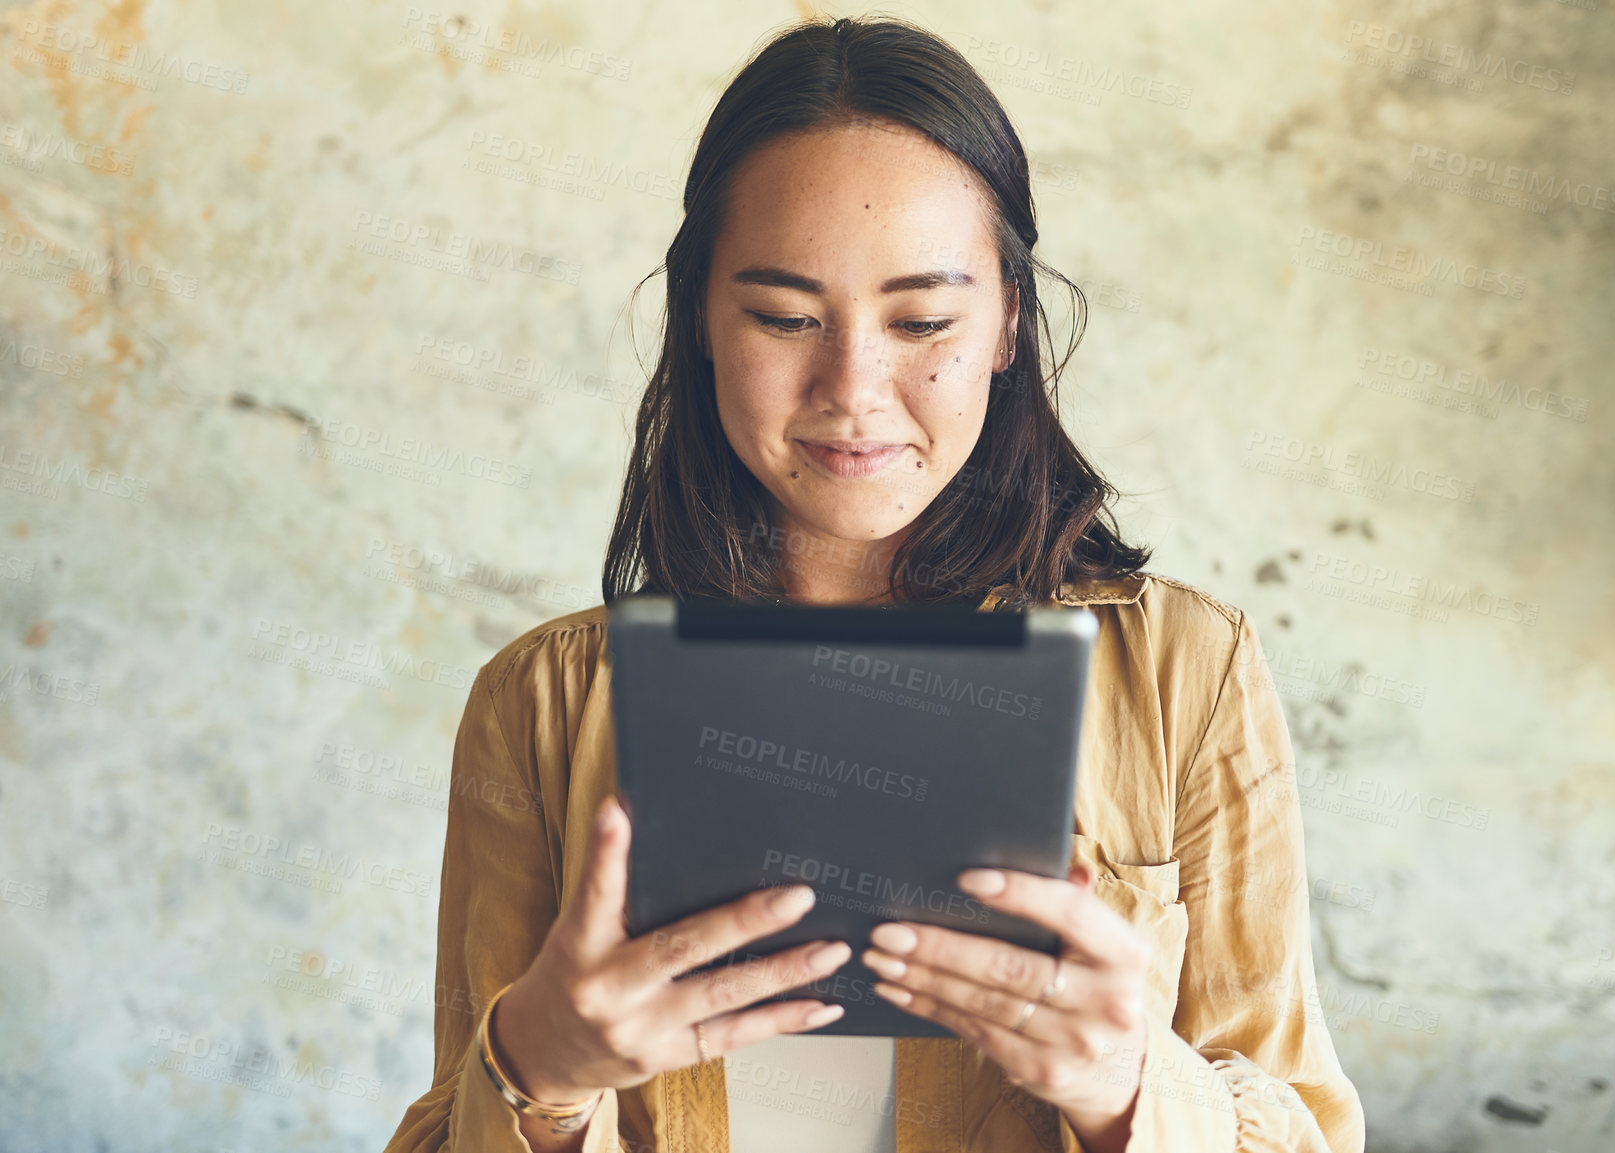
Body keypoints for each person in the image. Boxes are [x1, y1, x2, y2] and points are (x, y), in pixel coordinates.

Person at [383, 14, 1364, 1153]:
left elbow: (1307, 1130)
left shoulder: (1186, 674)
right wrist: (533, 1071)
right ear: (700, 314)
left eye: (922, 321)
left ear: (1007, 319)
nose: (853, 389)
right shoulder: (541, 705)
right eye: (784, 317)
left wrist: (1123, 1087)